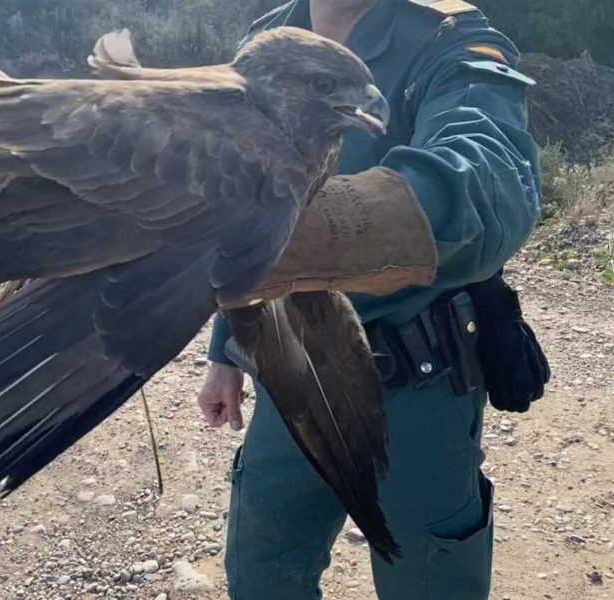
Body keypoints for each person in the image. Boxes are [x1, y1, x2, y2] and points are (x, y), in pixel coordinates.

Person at [197, 0, 541, 598]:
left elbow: (493, 175)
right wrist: (224, 352)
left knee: (430, 581)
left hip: (417, 386)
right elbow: (242, 195)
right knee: (263, 571)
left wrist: (324, 227)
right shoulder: (269, 37)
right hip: (289, 373)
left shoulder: (451, 37)